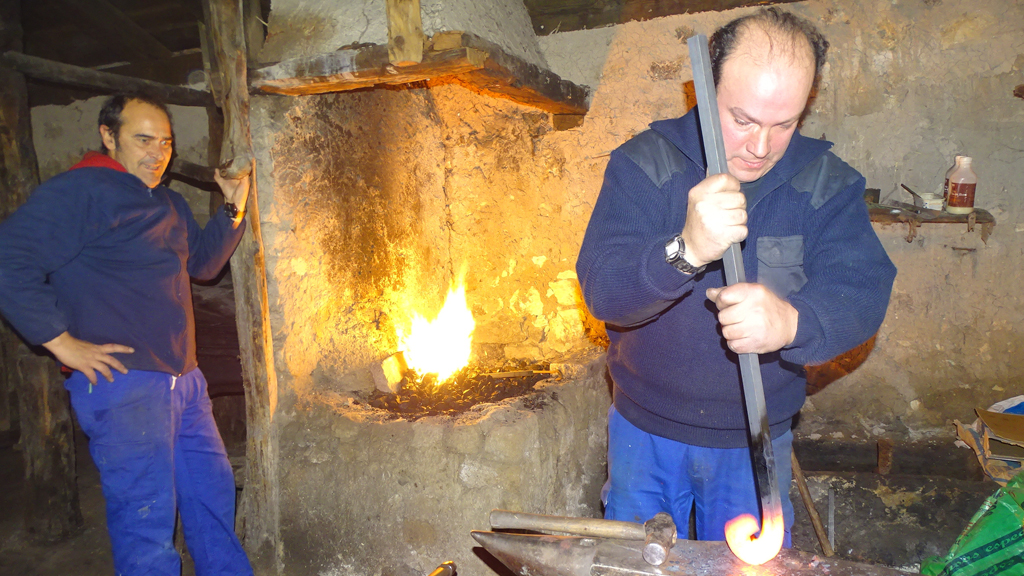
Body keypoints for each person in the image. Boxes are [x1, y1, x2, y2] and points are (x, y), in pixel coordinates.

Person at [576, 8, 897, 545]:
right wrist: (685, 250)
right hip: (645, 431)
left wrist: (794, 322)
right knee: (633, 561)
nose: (760, 147)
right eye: (742, 120)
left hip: (755, 440)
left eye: (784, 124)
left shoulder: (827, 185)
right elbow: (604, 292)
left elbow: (862, 289)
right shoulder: (644, 164)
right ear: (703, 90)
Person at [0, 92, 254, 575]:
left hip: (184, 380)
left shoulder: (168, 201)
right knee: (146, 522)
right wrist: (60, 342)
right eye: (143, 139)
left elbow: (202, 265)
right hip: (125, 385)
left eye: (165, 142)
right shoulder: (80, 191)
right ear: (108, 136)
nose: (158, 152)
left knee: (211, 499)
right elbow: (9, 260)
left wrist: (232, 208)